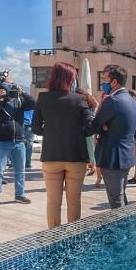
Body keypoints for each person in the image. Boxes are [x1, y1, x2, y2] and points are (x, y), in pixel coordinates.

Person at [32, 62, 97, 228]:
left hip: (51, 156)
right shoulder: (80, 99)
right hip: (76, 156)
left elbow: (36, 129)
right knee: (74, 200)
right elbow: (90, 129)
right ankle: (72, 238)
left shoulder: (43, 98)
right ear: (70, 79)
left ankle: (53, 237)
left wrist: (53, 130)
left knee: (53, 202)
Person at [92, 64, 136, 209]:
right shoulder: (131, 99)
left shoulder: (112, 101)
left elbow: (95, 126)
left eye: (104, 79)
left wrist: (99, 112)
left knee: (116, 202)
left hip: (113, 158)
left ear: (114, 82)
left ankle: (123, 230)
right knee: (121, 196)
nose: (103, 83)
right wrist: (104, 126)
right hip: (126, 155)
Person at [0, 76, 36, 208]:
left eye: (13, 84)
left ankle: (19, 194)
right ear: (1, 86)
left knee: (20, 171)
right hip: (1, 141)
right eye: (9, 84)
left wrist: (22, 92)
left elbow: (33, 104)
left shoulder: (18, 99)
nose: (11, 86)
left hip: (19, 140)